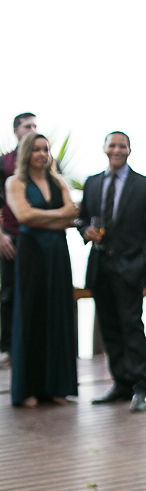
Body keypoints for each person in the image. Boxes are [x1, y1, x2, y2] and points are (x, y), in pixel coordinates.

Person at [78, 132, 146, 413]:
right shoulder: (92, 183)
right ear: (104, 148)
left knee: (132, 327)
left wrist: (141, 264)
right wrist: (84, 231)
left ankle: (141, 389)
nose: (117, 149)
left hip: (130, 268)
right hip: (99, 266)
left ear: (129, 150)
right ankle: (121, 384)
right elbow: (82, 217)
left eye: (122, 145)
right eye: (112, 145)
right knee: (110, 329)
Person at [4, 133, 79, 406]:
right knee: (31, 314)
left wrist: (44, 218)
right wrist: (60, 215)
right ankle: (28, 389)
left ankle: (57, 386)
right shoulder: (15, 182)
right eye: (36, 149)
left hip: (58, 252)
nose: (41, 153)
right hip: (32, 252)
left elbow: (71, 217)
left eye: (45, 149)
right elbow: (23, 216)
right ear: (26, 153)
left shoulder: (58, 182)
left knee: (58, 312)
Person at [0, 113, 38, 368]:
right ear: (16, 131)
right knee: (8, 294)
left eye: (36, 126)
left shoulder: (44, 161)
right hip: (10, 235)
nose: (33, 129)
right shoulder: (4, 163)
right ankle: (5, 348)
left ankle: (34, 346)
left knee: (35, 291)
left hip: (37, 236)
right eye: (28, 126)